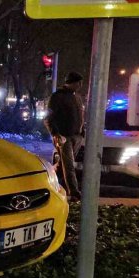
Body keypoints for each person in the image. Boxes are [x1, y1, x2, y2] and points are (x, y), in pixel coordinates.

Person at [46, 71, 85, 201]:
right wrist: (55, 133)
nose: (80, 85)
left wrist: (82, 131)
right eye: (79, 82)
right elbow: (49, 117)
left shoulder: (77, 97)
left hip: (76, 136)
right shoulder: (58, 96)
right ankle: (74, 192)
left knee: (64, 162)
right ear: (72, 83)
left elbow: (80, 115)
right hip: (63, 136)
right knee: (69, 165)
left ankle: (48, 178)